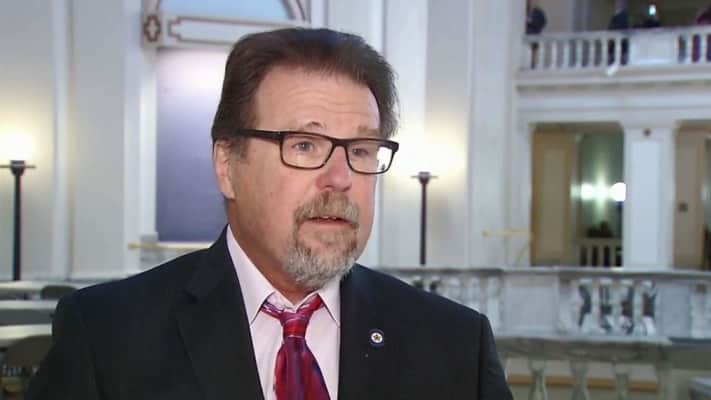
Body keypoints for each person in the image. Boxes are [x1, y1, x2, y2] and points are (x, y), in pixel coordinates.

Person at [26, 28, 512, 400]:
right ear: (227, 166)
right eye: (304, 145)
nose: (340, 177)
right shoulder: (107, 337)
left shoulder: (454, 345)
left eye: (361, 150)